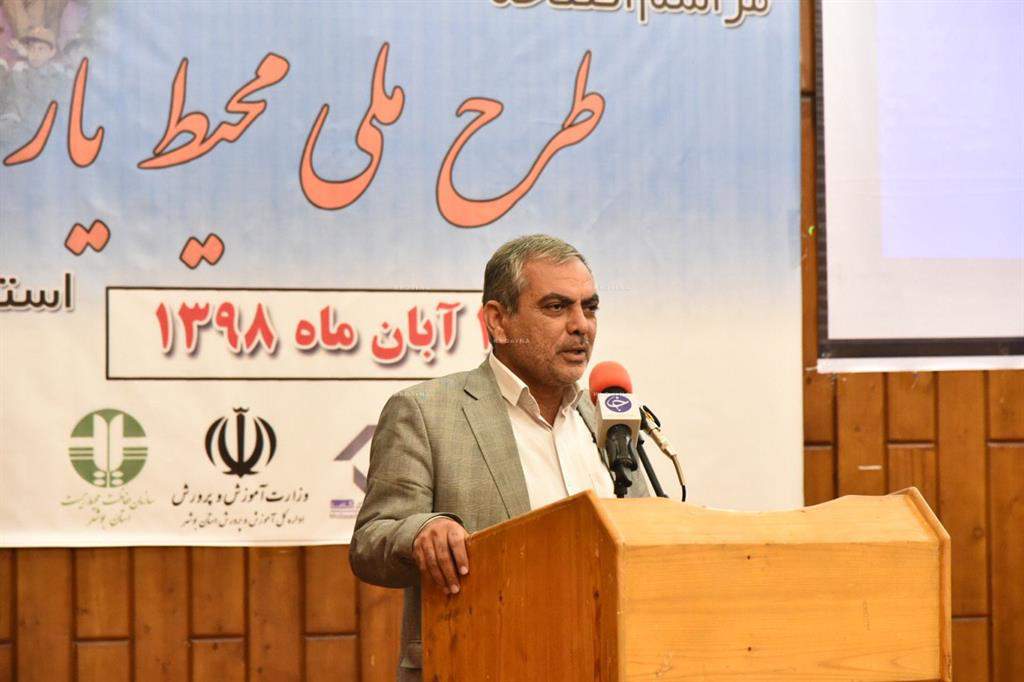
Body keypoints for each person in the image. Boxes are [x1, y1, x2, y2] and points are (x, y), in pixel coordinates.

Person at [350, 234, 649, 681]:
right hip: (478, 662)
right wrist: (422, 531)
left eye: (589, 308)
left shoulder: (610, 420)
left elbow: (650, 535)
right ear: (498, 321)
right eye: (556, 307)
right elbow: (370, 542)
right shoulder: (426, 413)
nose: (581, 326)